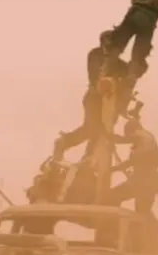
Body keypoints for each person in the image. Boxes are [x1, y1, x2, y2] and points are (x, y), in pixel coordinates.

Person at [54, 32, 130, 160]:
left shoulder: (119, 62)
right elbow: (94, 76)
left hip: (110, 101)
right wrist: (104, 83)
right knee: (91, 127)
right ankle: (64, 142)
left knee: (105, 132)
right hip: (95, 98)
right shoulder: (95, 55)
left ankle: (89, 156)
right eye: (109, 41)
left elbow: (128, 77)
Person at [107, 117, 158, 219]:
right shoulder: (144, 144)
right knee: (142, 214)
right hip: (146, 183)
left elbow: (124, 140)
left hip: (143, 182)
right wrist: (112, 169)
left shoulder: (143, 136)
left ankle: (112, 226)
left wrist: (107, 136)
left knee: (112, 197)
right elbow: (130, 162)